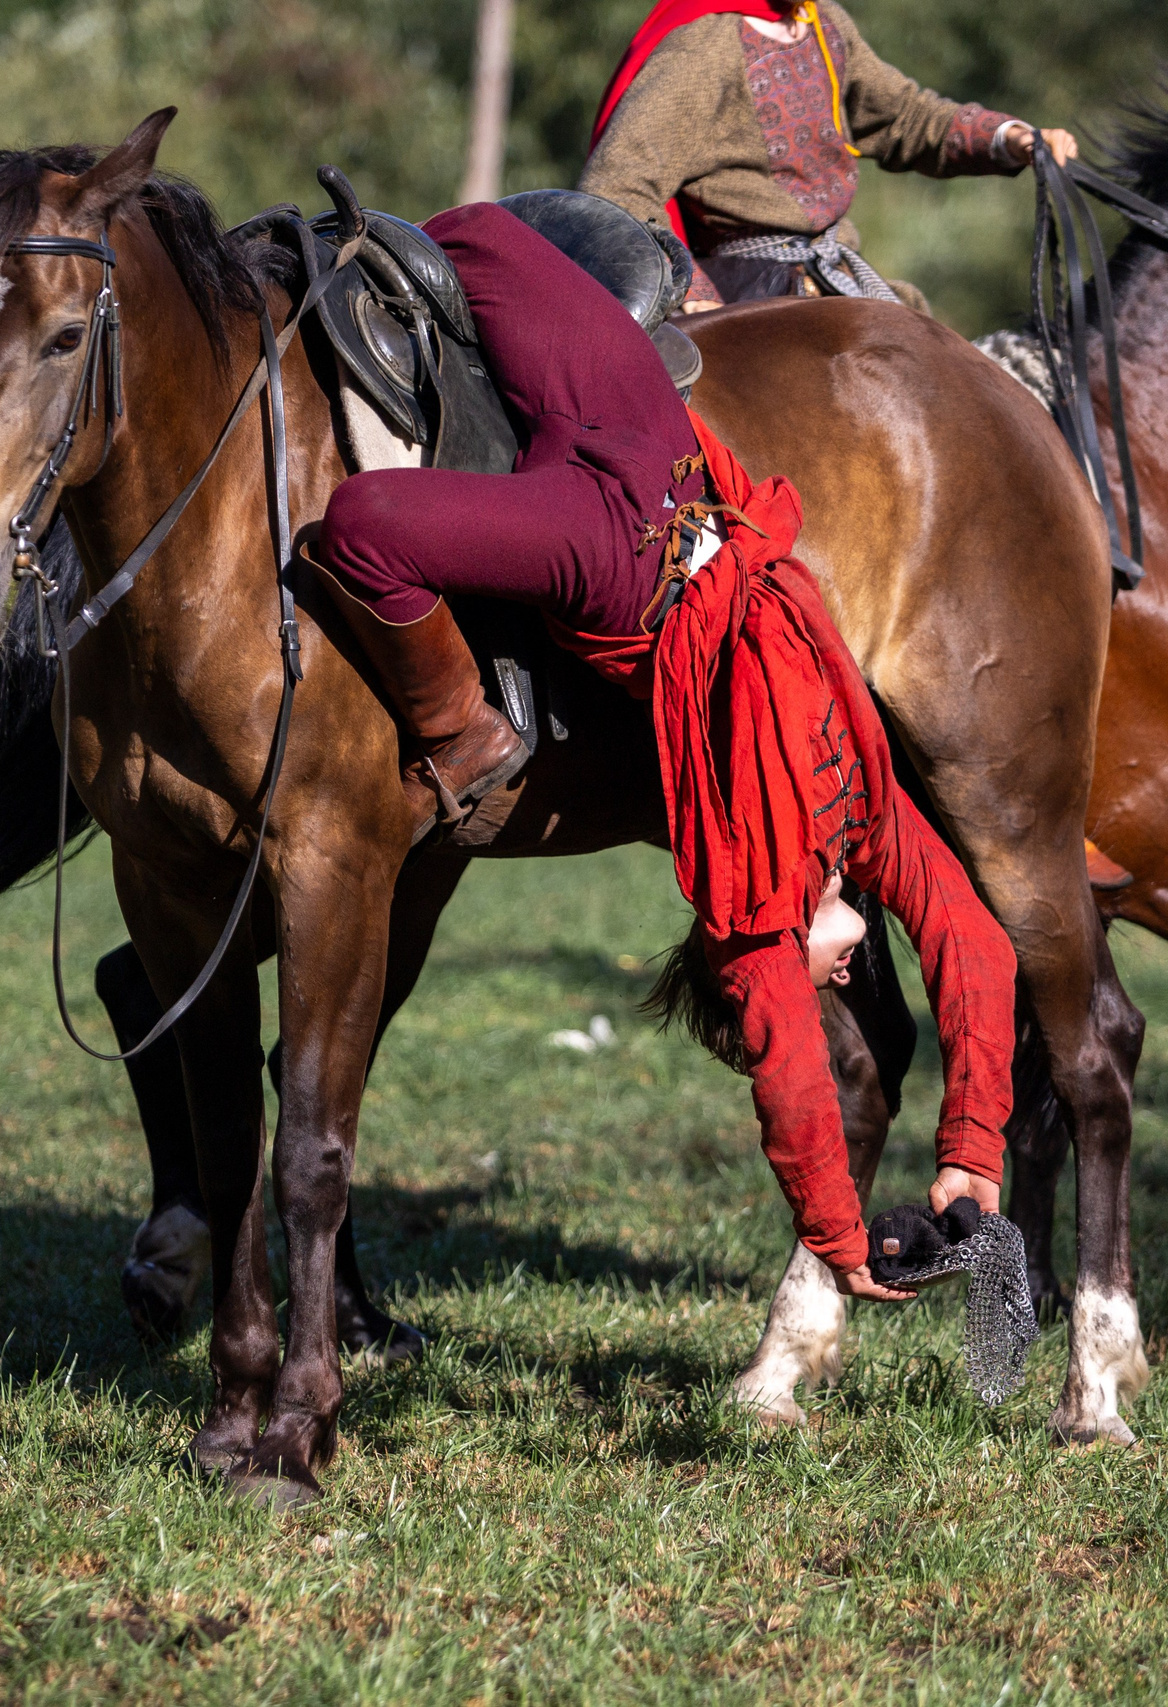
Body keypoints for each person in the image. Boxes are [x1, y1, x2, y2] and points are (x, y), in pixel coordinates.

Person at [305, 200, 1014, 1300]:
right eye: (822, 972)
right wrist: (970, 1157)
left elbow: (791, 1073)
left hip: (622, 556)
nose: (838, 974)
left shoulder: (749, 904)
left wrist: (849, 1231)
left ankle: (453, 720)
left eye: (801, 979)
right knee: (471, 256)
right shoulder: (862, 822)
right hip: (677, 488)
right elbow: (975, 943)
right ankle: (461, 711)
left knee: (369, 504)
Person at [579, 0, 1079, 308]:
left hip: (835, 275)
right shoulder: (703, 45)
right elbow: (614, 186)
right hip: (746, 293)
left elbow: (903, 117)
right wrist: (692, 296)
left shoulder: (823, 23)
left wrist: (1009, 138)